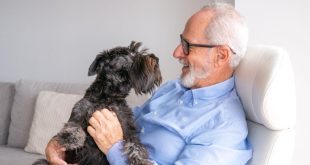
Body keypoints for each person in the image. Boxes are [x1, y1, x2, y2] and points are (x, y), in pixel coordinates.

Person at [45, 2, 252, 165]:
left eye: (187, 45)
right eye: (181, 42)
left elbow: (115, 137)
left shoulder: (225, 129)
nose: (176, 53)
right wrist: (60, 142)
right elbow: (123, 121)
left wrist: (115, 148)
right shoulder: (173, 89)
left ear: (221, 55)